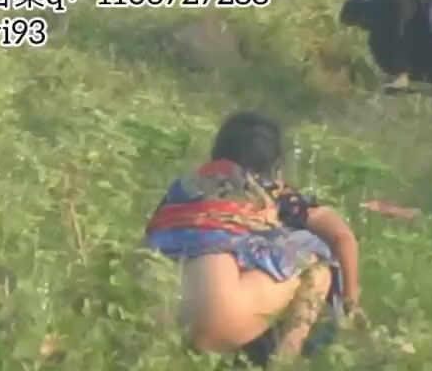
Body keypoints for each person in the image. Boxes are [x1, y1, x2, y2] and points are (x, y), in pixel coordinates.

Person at [144, 112, 362, 367]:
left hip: (154, 312)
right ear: (275, 163)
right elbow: (342, 237)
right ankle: (282, 363)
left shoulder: (185, 186)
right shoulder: (274, 192)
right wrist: (350, 303)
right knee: (317, 262)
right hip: (217, 322)